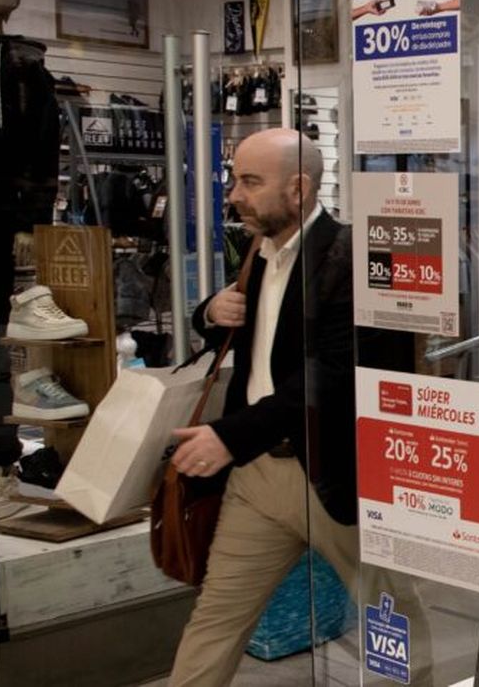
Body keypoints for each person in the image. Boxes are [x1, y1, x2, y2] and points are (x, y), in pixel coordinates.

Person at [167, 129, 430, 686]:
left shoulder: (354, 256)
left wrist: (230, 436)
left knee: (390, 619)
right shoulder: (259, 254)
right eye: (234, 179)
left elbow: (332, 374)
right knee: (217, 618)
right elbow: (257, 339)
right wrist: (209, 313)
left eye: (250, 182)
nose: (234, 195)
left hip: (337, 478)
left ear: (299, 189)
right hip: (259, 478)